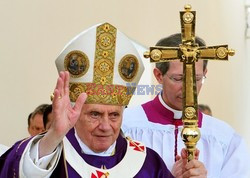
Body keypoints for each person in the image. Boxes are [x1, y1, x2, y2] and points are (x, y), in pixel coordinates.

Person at [0, 23, 207, 178]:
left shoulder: (148, 163)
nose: (106, 126)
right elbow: (17, 171)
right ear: (75, 113)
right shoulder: (49, 154)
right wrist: (53, 135)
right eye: (95, 114)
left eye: (114, 115)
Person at [122, 33, 250, 177]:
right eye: (178, 78)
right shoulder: (126, 128)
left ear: (205, 73)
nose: (189, 88)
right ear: (158, 76)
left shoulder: (225, 139)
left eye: (196, 78)